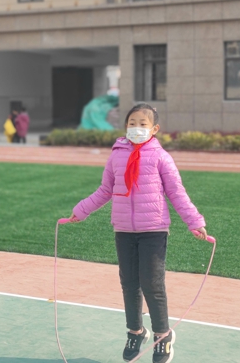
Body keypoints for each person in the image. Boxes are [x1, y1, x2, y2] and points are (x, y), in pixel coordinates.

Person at [67, 103, 208, 363]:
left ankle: (162, 335)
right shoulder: (116, 156)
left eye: (143, 124)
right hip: (124, 230)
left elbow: (176, 192)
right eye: (132, 123)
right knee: (129, 284)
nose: (136, 128)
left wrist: (194, 221)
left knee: (152, 284)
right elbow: (105, 190)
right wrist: (81, 210)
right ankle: (135, 331)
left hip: (153, 229)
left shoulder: (161, 157)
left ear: (154, 129)